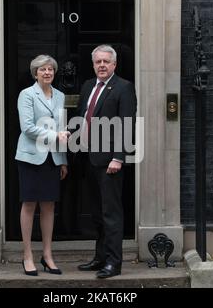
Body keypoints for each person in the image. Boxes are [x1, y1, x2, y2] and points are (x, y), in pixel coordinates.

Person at [76, 45, 137, 278]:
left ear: (114, 64)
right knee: (96, 214)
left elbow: (127, 125)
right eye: (98, 62)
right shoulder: (88, 86)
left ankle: (114, 262)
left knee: (111, 214)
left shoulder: (123, 87)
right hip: (88, 159)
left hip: (110, 162)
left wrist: (119, 157)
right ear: (93, 64)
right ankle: (100, 258)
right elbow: (83, 119)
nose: (102, 65)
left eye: (106, 62)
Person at [15, 54, 70, 276]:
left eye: (50, 69)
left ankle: (47, 256)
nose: (47, 73)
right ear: (35, 73)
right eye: (42, 70)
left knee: (49, 206)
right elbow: (27, 127)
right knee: (29, 205)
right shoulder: (27, 95)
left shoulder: (60, 96)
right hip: (31, 157)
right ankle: (27, 255)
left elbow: (63, 129)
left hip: (53, 159)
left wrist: (63, 160)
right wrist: (55, 135)